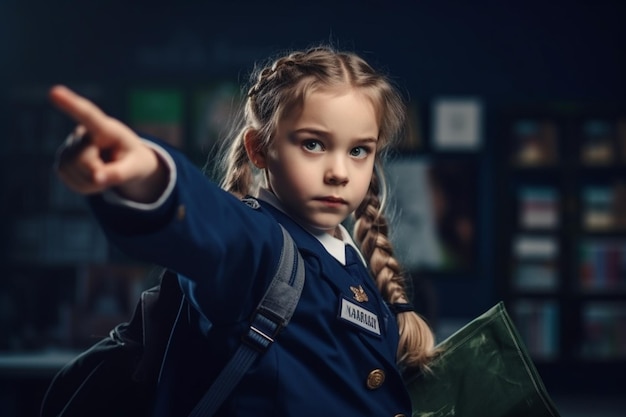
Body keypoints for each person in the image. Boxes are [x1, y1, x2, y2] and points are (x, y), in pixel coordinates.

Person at [50, 45, 436, 417]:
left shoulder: (348, 259)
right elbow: (211, 223)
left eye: (358, 151)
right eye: (314, 144)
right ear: (259, 149)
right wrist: (148, 175)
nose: (338, 172)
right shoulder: (260, 247)